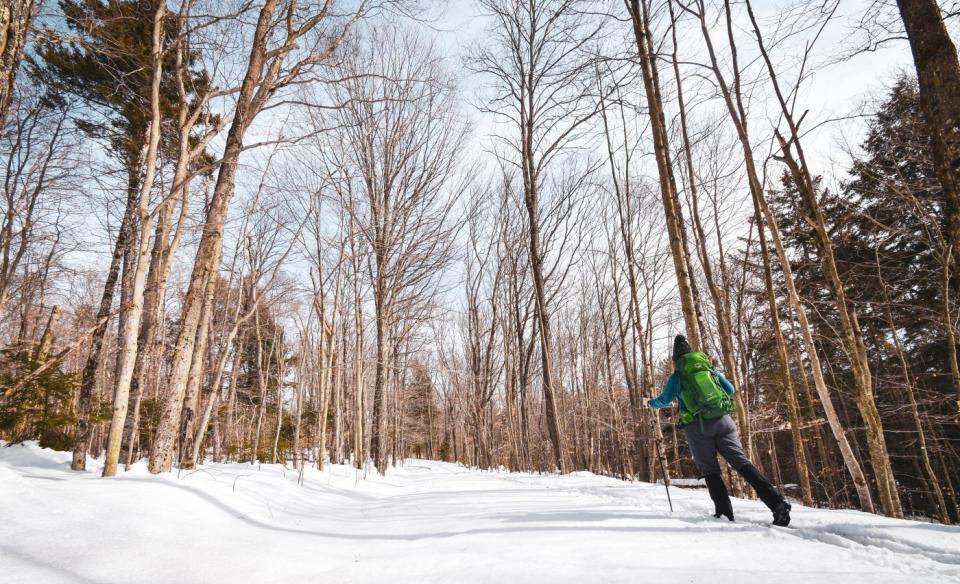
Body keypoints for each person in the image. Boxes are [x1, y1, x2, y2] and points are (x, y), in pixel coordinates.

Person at [645, 334, 791, 527]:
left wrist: (649, 403)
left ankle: (724, 514)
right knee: (742, 463)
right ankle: (777, 503)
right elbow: (730, 390)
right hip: (724, 421)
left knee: (711, 471)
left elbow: (664, 400)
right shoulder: (711, 370)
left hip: (699, 427)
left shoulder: (678, 376)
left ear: (676, 360)